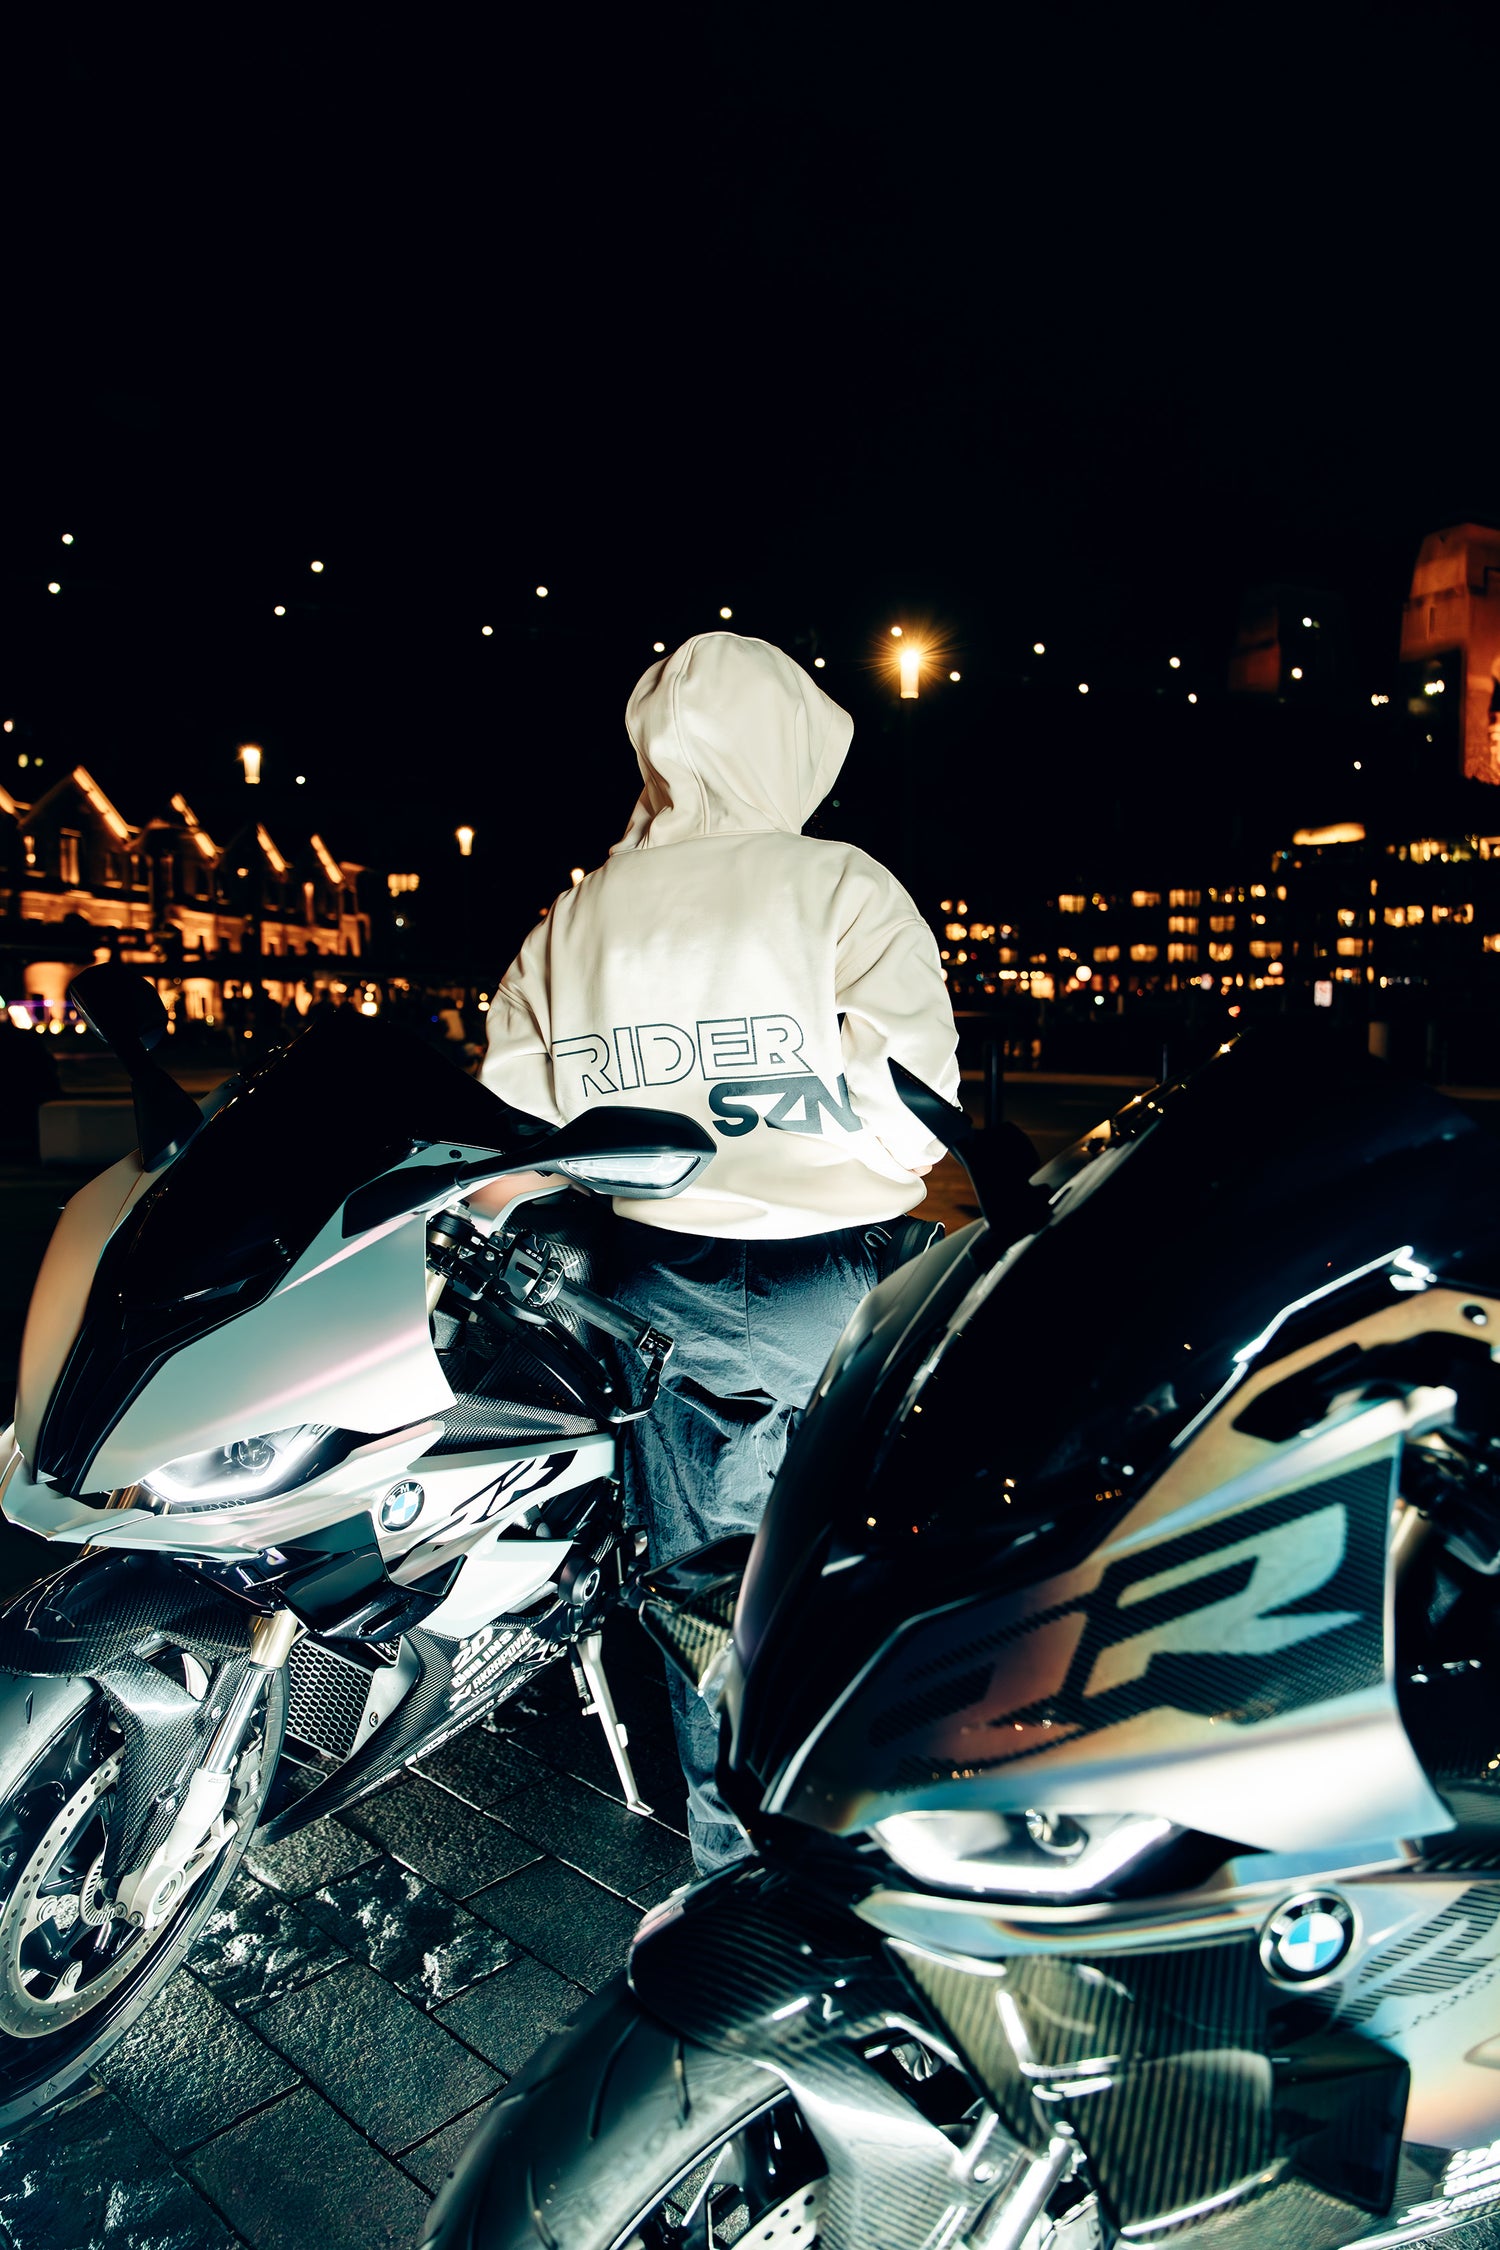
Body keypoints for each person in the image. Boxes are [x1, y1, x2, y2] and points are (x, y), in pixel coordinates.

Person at [475, 632, 959, 1870]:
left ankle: (728, 1868)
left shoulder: (579, 913)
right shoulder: (840, 886)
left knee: (701, 1594)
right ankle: (865, 1845)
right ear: (792, 743)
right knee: (851, 1570)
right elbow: (914, 1106)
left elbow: (514, 1133)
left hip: (646, 1286)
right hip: (831, 1272)